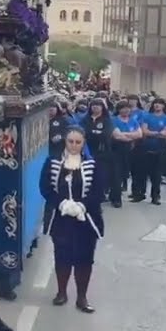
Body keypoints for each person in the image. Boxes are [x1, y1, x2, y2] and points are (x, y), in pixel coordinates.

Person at [40, 126, 104, 313]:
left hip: (86, 219)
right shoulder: (52, 162)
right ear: (65, 142)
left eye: (78, 142)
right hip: (61, 219)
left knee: (85, 258)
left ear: (83, 143)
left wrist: (81, 206)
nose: (74, 145)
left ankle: (82, 297)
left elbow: (98, 191)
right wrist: (62, 204)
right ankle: (61, 293)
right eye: (70, 141)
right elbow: (45, 188)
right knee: (62, 256)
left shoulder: (93, 164)